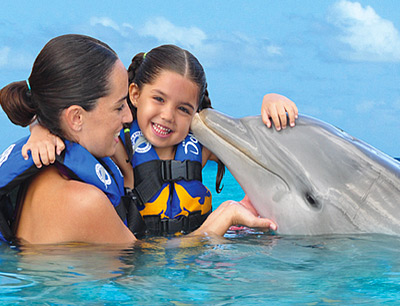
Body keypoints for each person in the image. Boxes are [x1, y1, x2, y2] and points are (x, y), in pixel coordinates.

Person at [0, 34, 277, 245]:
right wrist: (223, 216)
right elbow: (147, 269)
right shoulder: (84, 201)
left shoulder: (50, 168)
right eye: (120, 106)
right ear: (76, 118)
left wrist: (39, 126)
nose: (128, 118)